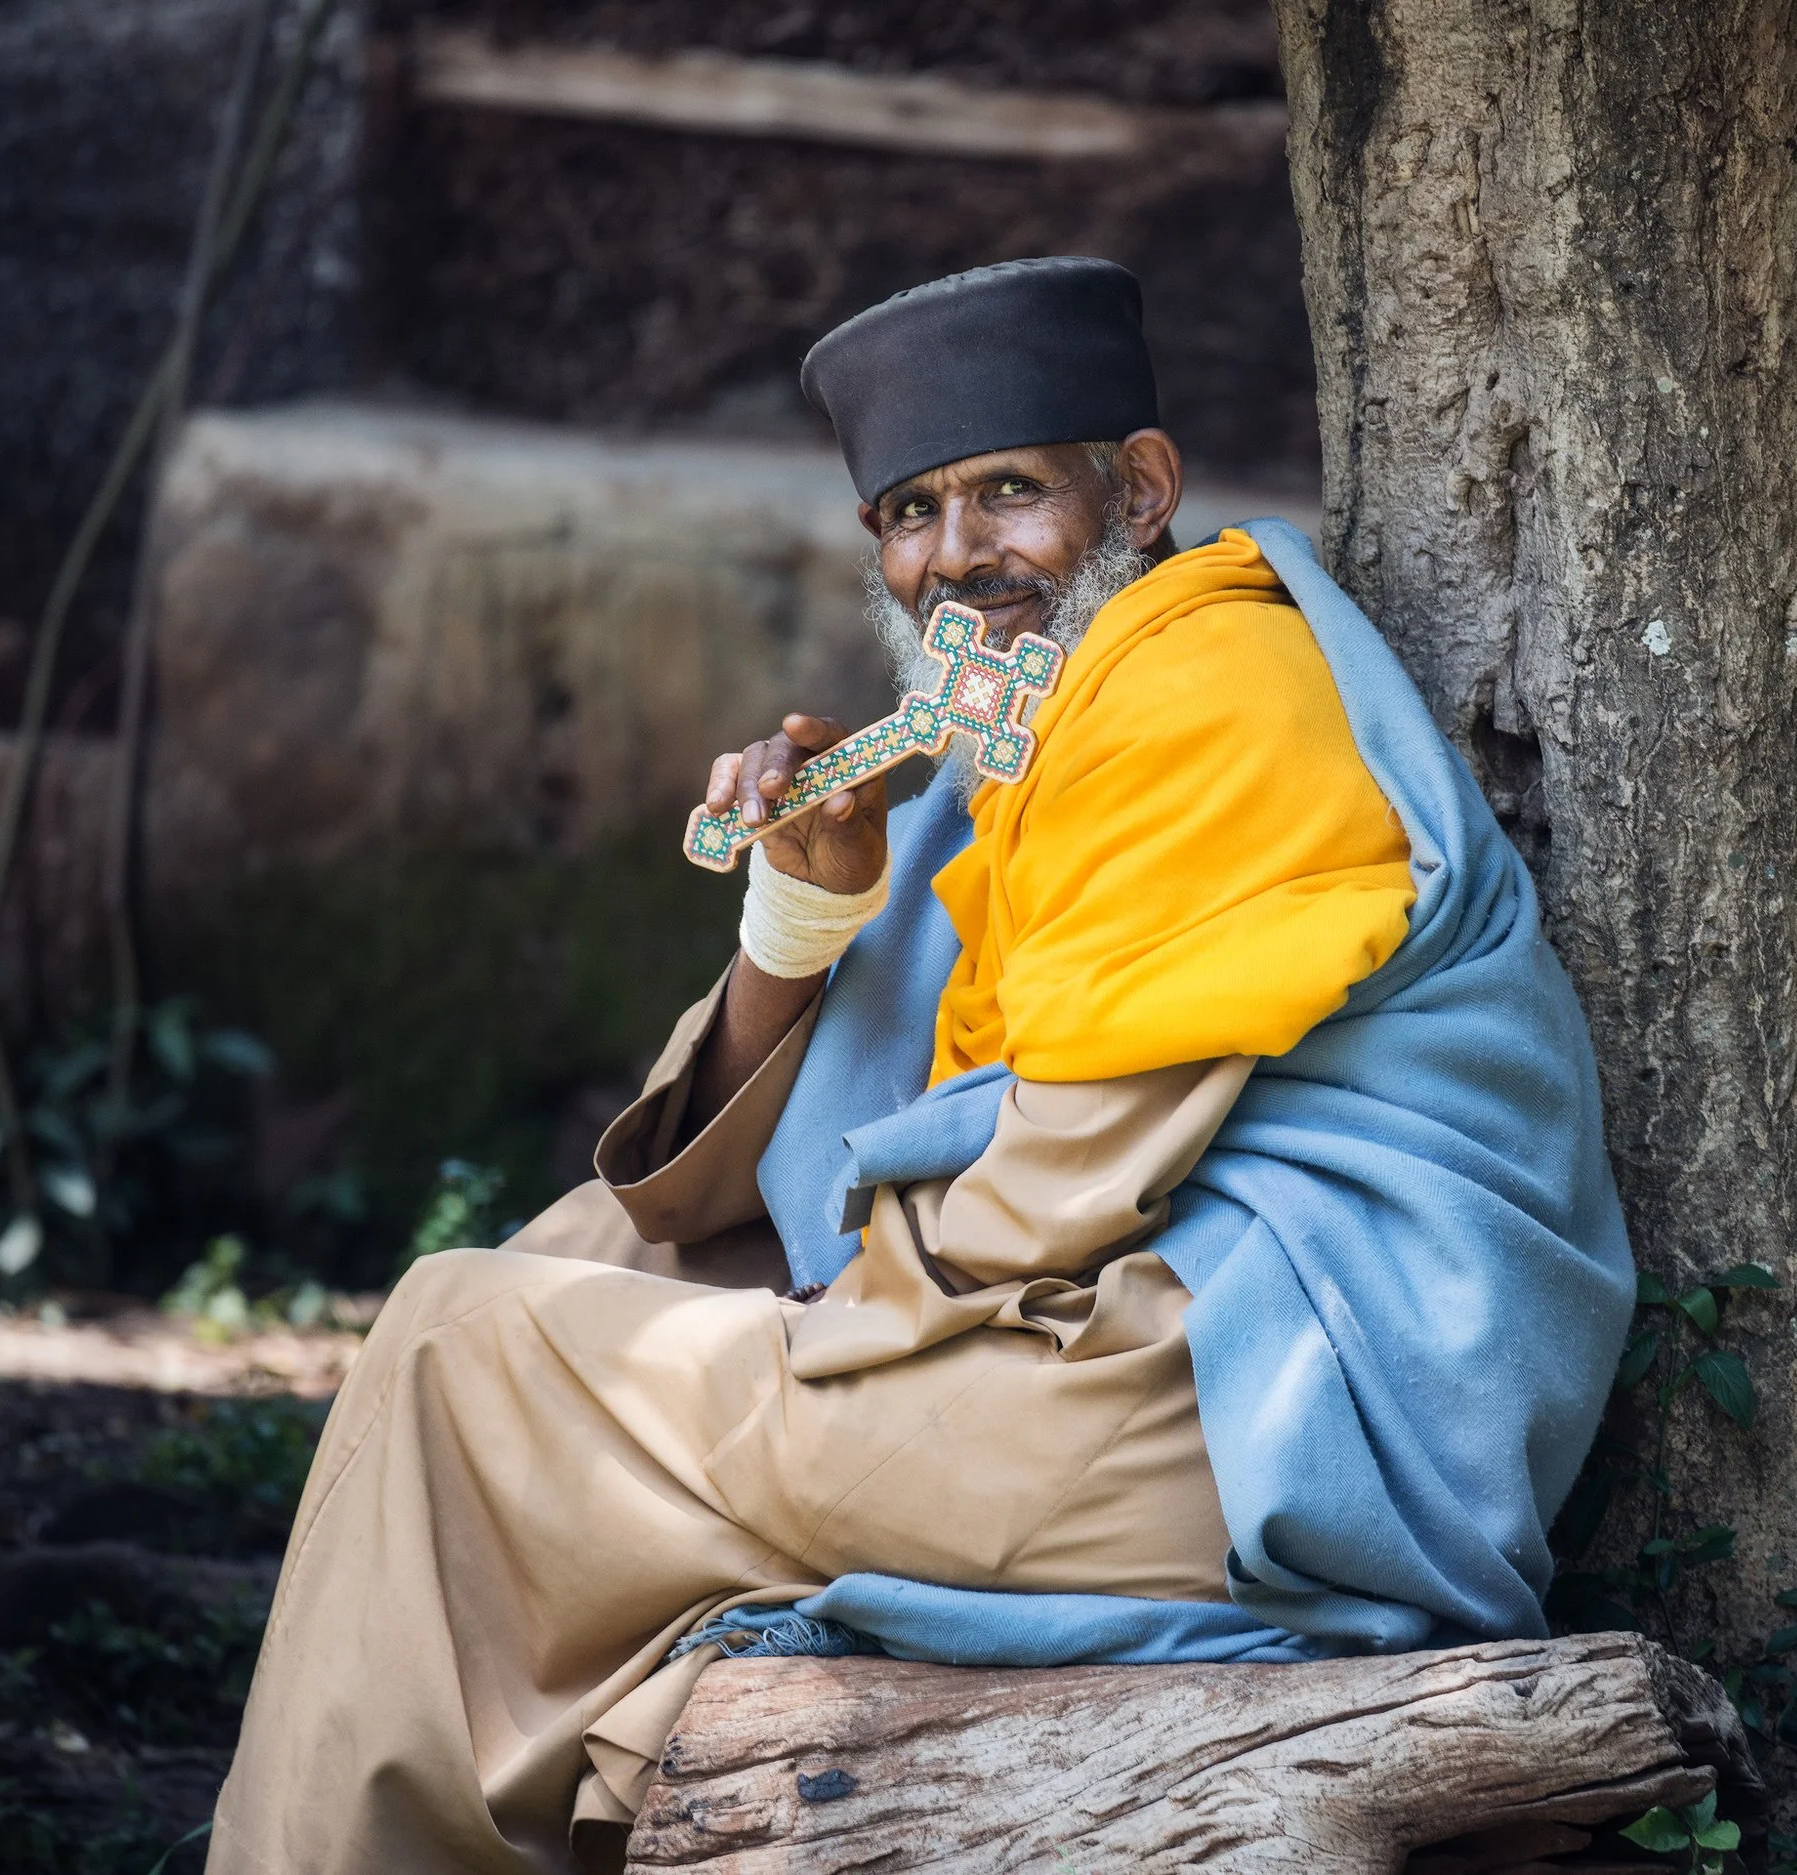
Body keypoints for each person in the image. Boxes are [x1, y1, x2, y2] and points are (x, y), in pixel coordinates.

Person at [208, 258, 1635, 1875]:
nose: (957, 556)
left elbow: (1051, 1194)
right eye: (909, 512)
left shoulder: (1203, 691)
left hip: (1283, 1431)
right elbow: (711, 1187)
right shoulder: (1002, 730)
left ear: (1140, 489)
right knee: (577, 1262)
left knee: (456, 1346)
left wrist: (800, 1337)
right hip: (1120, 1339)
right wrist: (804, 903)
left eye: (1009, 493)